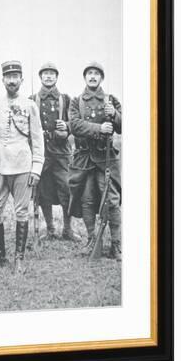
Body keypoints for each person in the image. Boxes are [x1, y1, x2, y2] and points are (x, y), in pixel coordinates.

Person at [0, 60, 45, 273]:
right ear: (2, 80)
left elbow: (38, 139)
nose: (12, 80)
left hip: (22, 165)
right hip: (0, 165)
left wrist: (36, 167)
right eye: (8, 76)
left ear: (21, 79)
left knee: (21, 212)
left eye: (15, 76)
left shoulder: (30, 105)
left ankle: (19, 257)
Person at [68, 62, 122, 260]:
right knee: (87, 199)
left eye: (96, 73)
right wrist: (99, 128)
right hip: (84, 159)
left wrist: (114, 115)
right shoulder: (76, 102)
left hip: (106, 158)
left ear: (101, 78)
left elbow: (124, 125)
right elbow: (74, 125)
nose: (92, 76)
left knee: (112, 201)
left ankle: (116, 245)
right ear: (85, 77)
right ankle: (92, 240)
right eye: (89, 73)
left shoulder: (111, 100)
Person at [30, 62, 80, 242]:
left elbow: (76, 122)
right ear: (40, 77)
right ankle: (50, 228)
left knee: (66, 189)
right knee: (43, 191)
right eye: (45, 74)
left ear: (57, 77)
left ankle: (67, 229)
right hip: (41, 152)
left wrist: (66, 127)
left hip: (61, 153)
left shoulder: (66, 99)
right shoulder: (32, 99)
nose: (49, 76)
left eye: (52, 73)